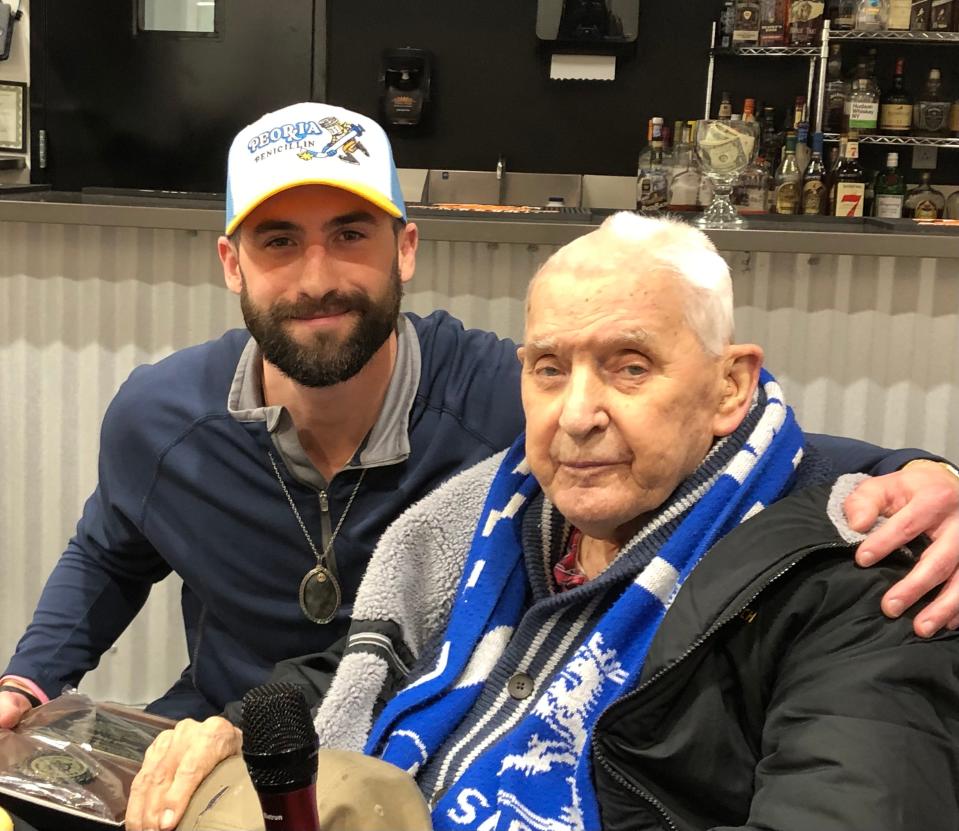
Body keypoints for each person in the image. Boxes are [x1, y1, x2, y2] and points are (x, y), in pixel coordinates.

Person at [2, 102, 958, 736]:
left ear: (405, 248)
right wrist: (26, 684)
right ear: (229, 263)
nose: (318, 276)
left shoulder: (515, 399)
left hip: (424, 735)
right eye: (277, 241)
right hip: (221, 728)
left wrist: (921, 472)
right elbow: (110, 554)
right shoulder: (160, 416)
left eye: (351, 235)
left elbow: (724, 441)